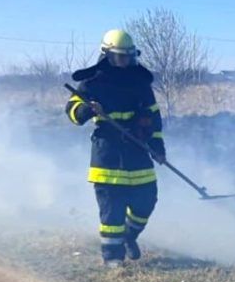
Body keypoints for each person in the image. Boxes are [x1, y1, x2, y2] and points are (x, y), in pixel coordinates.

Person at [65, 29, 165, 267]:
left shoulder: (140, 82)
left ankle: (129, 237)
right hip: (108, 156)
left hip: (137, 151)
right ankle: (113, 260)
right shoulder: (92, 82)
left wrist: (157, 145)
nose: (125, 61)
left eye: (129, 56)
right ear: (107, 55)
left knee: (147, 201)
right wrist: (87, 109)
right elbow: (72, 112)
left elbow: (154, 117)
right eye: (120, 56)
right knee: (112, 213)